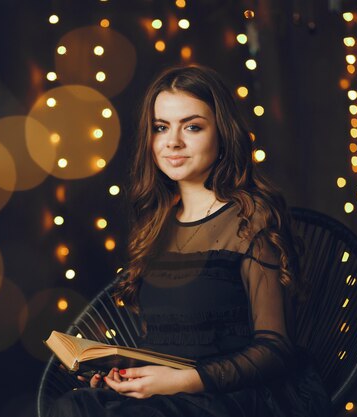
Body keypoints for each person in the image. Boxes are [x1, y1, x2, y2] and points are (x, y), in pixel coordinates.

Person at [46, 65, 332, 417]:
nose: (173, 142)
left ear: (222, 134)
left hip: (231, 396)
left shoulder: (250, 221)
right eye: (161, 128)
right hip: (166, 398)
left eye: (192, 127)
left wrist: (180, 381)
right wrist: (124, 376)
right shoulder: (157, 223)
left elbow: (274, 350)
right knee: (72, 407)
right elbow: (162, 343)